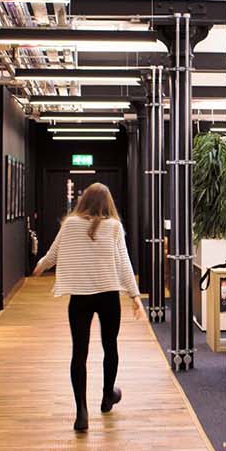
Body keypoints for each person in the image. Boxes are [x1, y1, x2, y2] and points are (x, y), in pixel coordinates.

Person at [32, 183, 141, 432]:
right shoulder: (114, 227)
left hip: (80, 298)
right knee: (109, 346)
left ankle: (81, 413)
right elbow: (124, 263)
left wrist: (39, 267)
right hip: (108, 297)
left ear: (84, 202)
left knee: (79, 353)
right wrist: (135, 296)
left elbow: (53, 253)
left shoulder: (70, 224)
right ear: (107, 203)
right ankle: (106, 397)